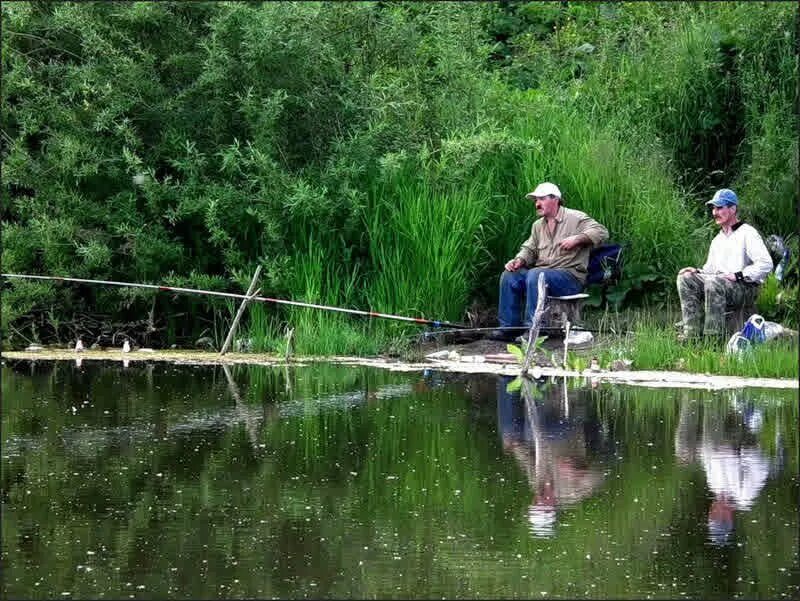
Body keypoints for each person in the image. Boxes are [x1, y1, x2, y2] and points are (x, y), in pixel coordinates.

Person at [491, 182, 609, 341]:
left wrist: (578, 239)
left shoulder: (575, 218)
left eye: (541, 199)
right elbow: (530, 249)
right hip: (541, 275)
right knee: (510, 275)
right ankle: (508, 328)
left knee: (536, 274)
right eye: (535, 200)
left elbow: (602, 232)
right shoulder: (537, 226)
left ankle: (535, 329)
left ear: (555, 199)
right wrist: (519, 260)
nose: (537, 204)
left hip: (570, 278)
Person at [676, 188, 773, 340]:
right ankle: (692, 334)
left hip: (745, 287)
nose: (715, 212)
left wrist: (738, 275)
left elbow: (766, 264)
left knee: (714, 283)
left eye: (719, 207)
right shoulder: (717, 240)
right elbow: (711, 270)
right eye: (714, 208)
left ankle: (713, 338)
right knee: (685, 278)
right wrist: (696, 271)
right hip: (720, 283)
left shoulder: (748, 233)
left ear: (733, 209)